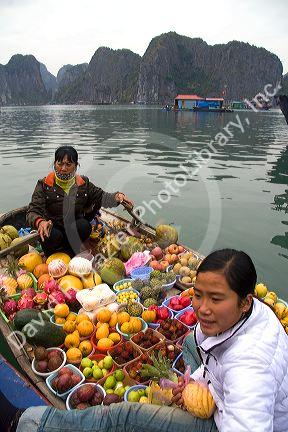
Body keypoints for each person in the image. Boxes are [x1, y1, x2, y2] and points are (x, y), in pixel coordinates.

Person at [1, 249, 288, 431]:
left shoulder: (250, 368)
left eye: (216, 299)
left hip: (225, 422)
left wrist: (205, 397)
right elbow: (215, 358)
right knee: (189, 342)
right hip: (226, 393)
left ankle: (25, 423)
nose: (201, 308)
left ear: (245, 302)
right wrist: (198, 383)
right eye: (198, 294)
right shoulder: (249, 313)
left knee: (121, 417)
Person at [26, 146, 133, 257]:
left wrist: (117, 196)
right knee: (50, 234)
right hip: (53, 227)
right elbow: (32, 211)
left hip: (73, 228)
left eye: (68, 164)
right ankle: (52, 255)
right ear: (54, 164)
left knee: (83, 226)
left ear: (76, 166)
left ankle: (70, 252)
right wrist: (40, 222)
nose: (63, 168)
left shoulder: (83, 183)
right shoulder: (44, 185)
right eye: (60, 163)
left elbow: (101, 196)